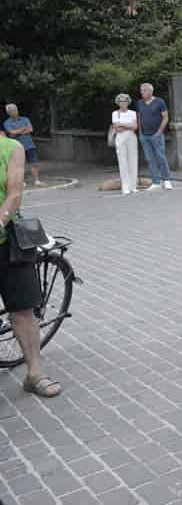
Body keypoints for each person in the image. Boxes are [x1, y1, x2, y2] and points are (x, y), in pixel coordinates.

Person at [0, 131, 62, 397]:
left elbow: (14, 193)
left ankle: (35, 373)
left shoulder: (11, 148)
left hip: (7, 240)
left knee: (23, 310)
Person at [136, 83, 173, 190]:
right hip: (144, 135)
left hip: (156, 135)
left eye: (144, 90)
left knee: (161, 157)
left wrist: (159, 132)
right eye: (141, 90)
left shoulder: (159, 102)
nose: (142, 92)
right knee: (150, 159)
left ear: (150, 91)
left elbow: (165, 117)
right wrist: (140, 133)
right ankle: (156, 182)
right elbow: (139, 118)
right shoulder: (140, 103)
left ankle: (166, 180)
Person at [3, 104, 41, 187]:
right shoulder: (7, 122)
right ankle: (21, 182)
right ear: (8, 113)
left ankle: (37, 180)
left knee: (34, 163)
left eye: (15, 110)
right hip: (17, 147)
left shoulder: (25, 119)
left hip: (29, 145)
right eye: (12, 111)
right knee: (19, 165)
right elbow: (11, 133)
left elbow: (30, 129)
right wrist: (23, 129)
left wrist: (17, 132)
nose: (14, 112)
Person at [111, 94, 139, 195]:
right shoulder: (115, 113)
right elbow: (116, 128)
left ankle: (133, 186)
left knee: (133, 160)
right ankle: (125, 186)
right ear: (118, 103)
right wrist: (128, 125)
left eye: (125, 101)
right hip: (120, 137)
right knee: (123, 162)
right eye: (121, 101)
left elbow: (135, 126)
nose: (123, 103)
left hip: (131, 137)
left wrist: (122, 124)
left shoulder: (132, 113)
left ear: (128, 102)